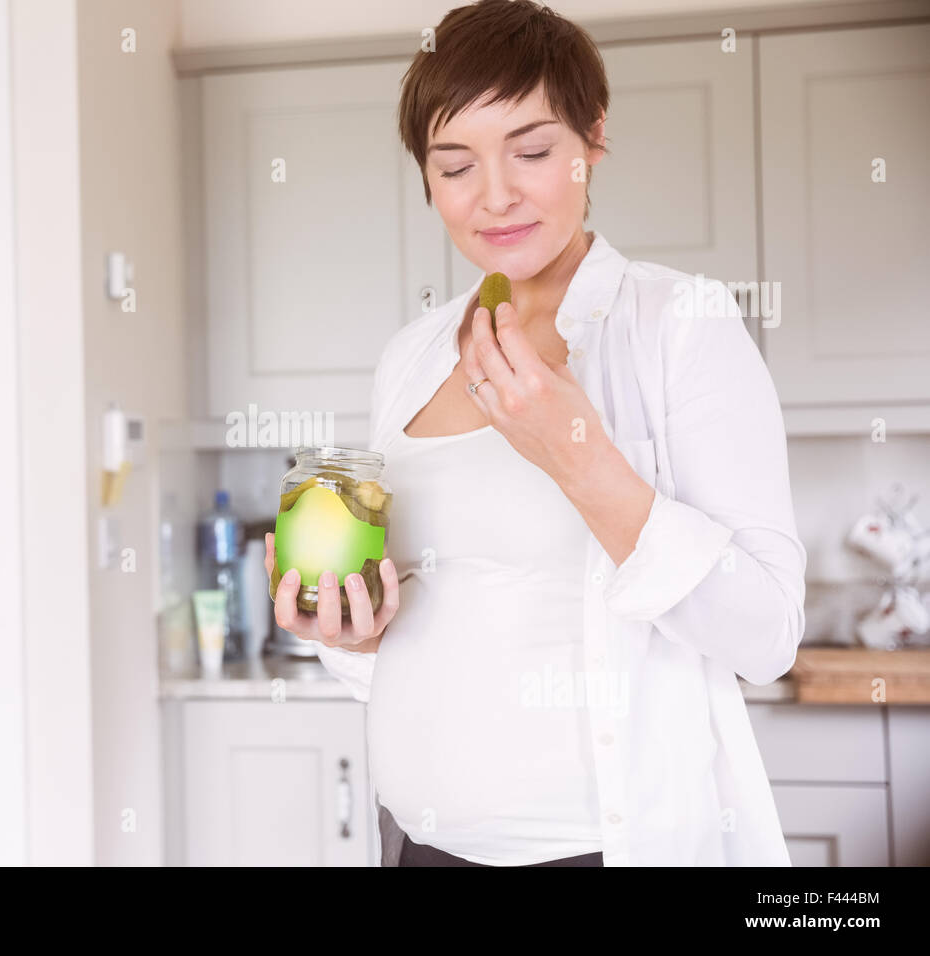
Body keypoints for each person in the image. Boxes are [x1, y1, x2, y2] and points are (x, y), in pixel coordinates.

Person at [264, 0, 805, 867]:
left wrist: (576, 453)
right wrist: (353, 637)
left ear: (593, 141)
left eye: (533, 150)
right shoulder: (409, 358)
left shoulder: (678, 323)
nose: (497, 195)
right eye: (455, 166)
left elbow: (768, 634)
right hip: (418, 845)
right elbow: (435, 632)